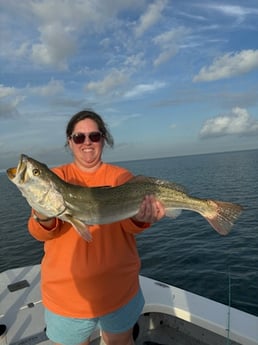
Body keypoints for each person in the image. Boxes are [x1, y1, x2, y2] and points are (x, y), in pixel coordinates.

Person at [28, 110, 165, 345]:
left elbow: (129, 228)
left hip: (119, 290)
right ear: (69, 141)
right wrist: (43, 214)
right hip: (67, 297)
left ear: (104, 139)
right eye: (79, 137)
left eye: (94, 135)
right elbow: (39, 232)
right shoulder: (56, 178)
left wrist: (143, 219)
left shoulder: (122, 177)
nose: (87, 142)